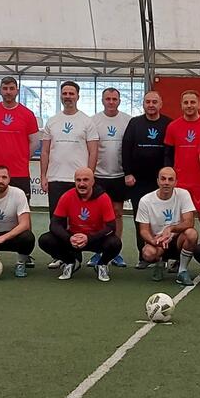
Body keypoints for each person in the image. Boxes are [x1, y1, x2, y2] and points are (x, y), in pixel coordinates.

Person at [40, 81, 98, 271]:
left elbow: (93, 151)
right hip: (56, 179)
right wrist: (43, 176)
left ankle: (75, 256)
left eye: (71, 93)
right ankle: (61, 256)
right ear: (60, 96)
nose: (68, 97)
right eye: (64, 93)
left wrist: (89, 177)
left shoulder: (87, 121)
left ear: (78, 96)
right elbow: (45, 151)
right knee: (57, 221)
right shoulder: (52, 121)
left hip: (78, 182)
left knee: (76, 222)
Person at [38, 167, 121, 282]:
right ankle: (70, 262)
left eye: (85, 180)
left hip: (95, 239)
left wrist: (89, 238)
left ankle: (101, 264)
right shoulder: (67, 196)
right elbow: (54, 224)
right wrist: (69, 238)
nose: (81, 184)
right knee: (45, 240)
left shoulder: (103, 198)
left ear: (93, 181)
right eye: (78, 180)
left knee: (115, 243)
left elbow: (111, 227)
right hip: (74, 239)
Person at [122, 90, 172, 266]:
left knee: (164, 219)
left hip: (162, 182)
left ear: (161, 104)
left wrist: (168, 176)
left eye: (154, 102)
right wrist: (127, 173)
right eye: (148, 102)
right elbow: (126, 148)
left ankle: (164, 256)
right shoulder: (134, 123)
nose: (151, 105)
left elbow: (170, 151)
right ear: (143, 104)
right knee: (141, 219)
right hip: (138, 181)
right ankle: (144, 256)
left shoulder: (168, 123)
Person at [90, 87, 132, 268]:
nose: (111, 102)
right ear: (102, 100)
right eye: (108, 99)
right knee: (98, 216)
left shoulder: (128, 121)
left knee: (117, 213)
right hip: (98, 175)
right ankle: (98, 252)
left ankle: (115, 251)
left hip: (119, 176)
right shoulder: (93, 121)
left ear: (119, 101)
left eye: (114, 99)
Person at [135, 166, 199, 285]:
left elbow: (189, 222)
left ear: (176, 182)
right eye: (163, 179)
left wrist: (171, 229)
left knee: (192, 234)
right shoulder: (145, 201)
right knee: (148, 253)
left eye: (170, 179)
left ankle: (182, 271)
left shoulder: (183, 194)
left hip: (177, 240)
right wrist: (155, 241)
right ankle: (159, 262)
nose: (166, 182)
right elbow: (143, 230)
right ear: (158, 181)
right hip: (158, 241)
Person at [0, 76, 39, 196]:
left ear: (17, 91)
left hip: (20, 173)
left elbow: (35, 142)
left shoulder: (28, 115)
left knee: (20, 207)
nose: (8, 92)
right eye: (5, 88)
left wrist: (22, 157)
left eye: (11, 88)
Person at [163, 90, 200, 217]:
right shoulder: (172, 127)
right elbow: (168, 155)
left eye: (193, 102)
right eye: (186, 102)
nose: (189, 105)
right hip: (180, 182)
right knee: (181, 219)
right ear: (181, 105)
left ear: (199, 104)